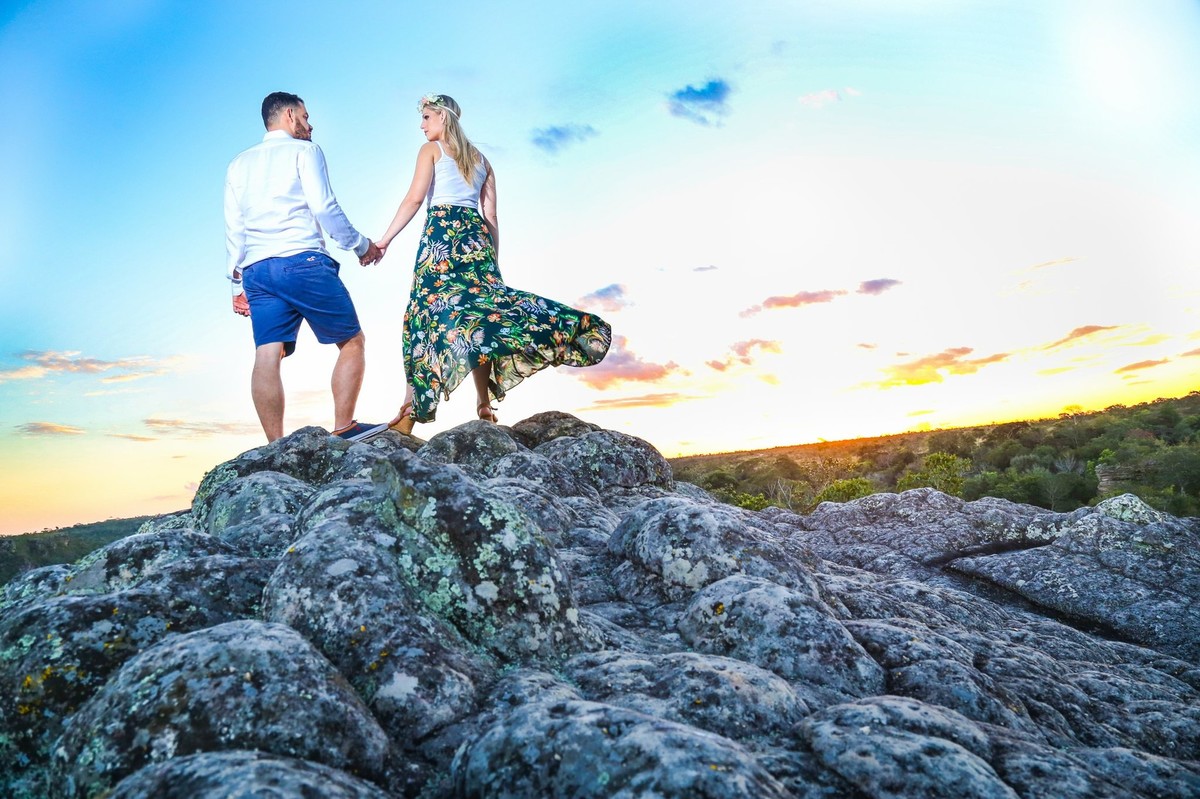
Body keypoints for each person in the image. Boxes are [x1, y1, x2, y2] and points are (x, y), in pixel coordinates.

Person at [376, 93, 611, 434]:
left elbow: (414, 199)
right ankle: (483, 403)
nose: (421, 125)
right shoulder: (482, 159)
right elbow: (492, 216)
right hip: (476, 243)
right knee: (484, 316)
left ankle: (410, 409)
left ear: (442, 117)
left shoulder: (431, 151)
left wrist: (384, 240)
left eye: (426, 117)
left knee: (424, 315)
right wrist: (493, 263)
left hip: (441, 240)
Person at [225, 91, 387, 443]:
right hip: (301, 260)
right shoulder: (305, 151)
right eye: (305, 116)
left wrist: (236, 284)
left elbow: (234, 228)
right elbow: (324, 207)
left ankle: (275, 446)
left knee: (268, 352)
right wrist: (361, 245)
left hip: (257, 270)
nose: (310, 124)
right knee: (352, 341)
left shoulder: (238, 163)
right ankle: (344, 427)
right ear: (288, 116)